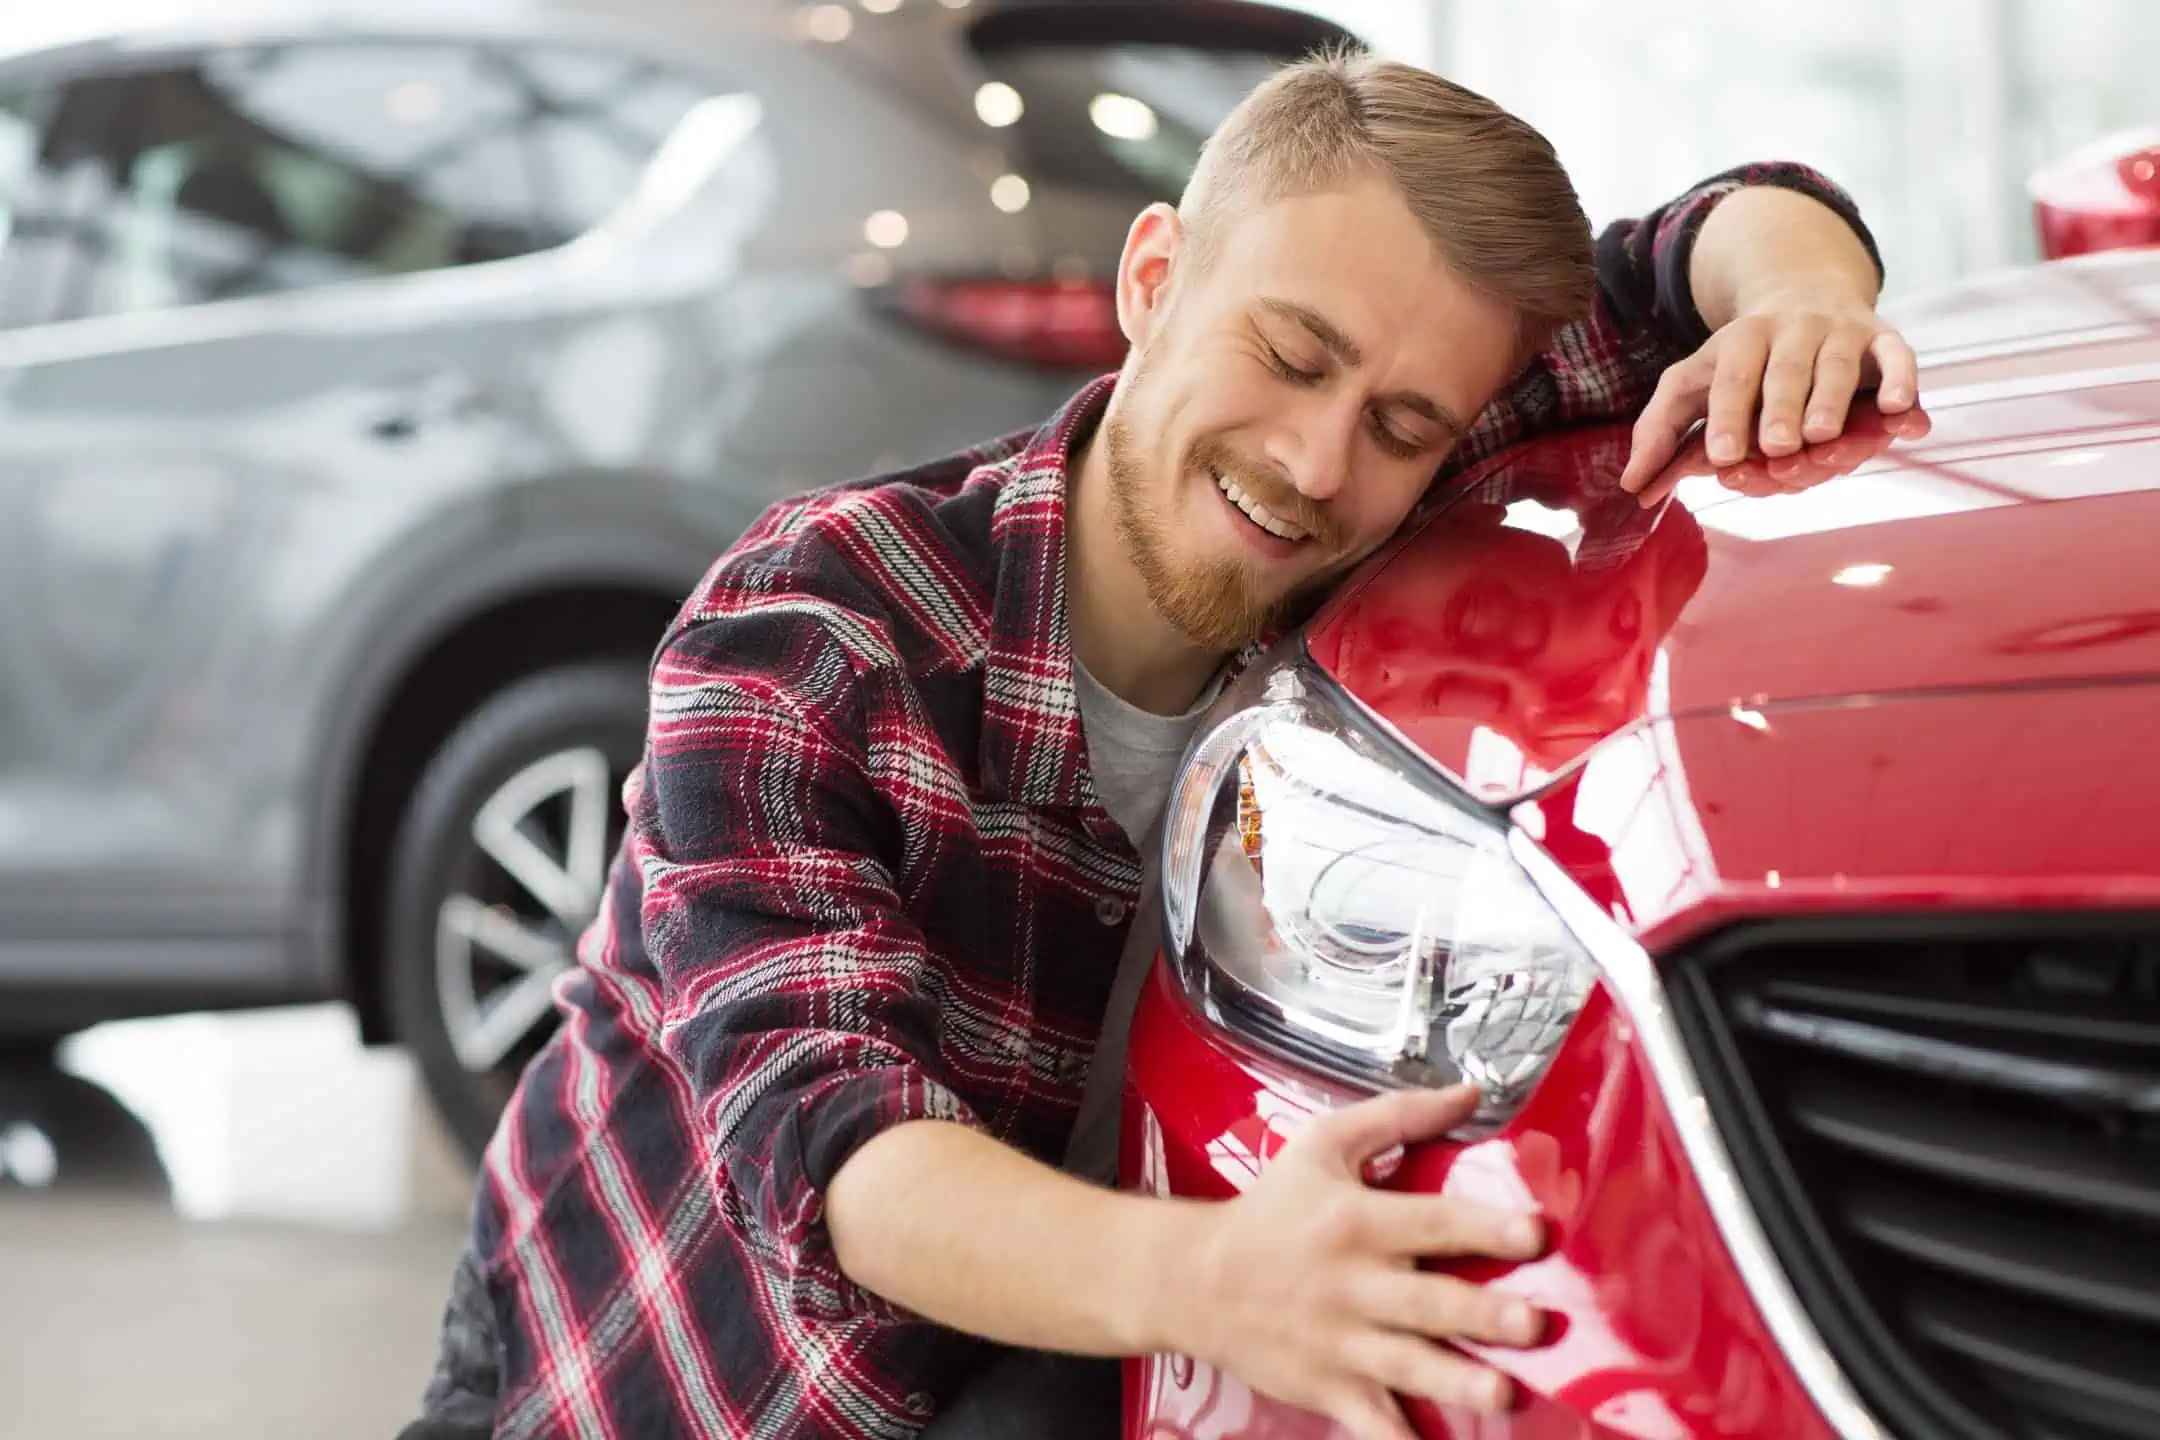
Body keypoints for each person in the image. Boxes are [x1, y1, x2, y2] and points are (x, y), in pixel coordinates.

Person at [405, 49, 1917, 1440]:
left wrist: (1805, 301)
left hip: (1041, 1371)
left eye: (1403, 428)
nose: (1318, 461)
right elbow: (838, 1155)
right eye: (1290, 354)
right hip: (644, 1373)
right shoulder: (813, 627)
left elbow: (1714, 234)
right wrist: (1226, 1280)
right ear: (1153, 277)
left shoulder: (1402, 444)